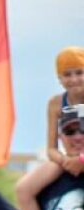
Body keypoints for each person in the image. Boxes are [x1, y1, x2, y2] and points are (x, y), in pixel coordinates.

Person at [45, 47, 84, 175]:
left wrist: (81, 160)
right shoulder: (55, 104)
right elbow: (51, 149)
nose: (73, 79)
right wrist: (66, 161)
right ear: (59, 79)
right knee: (24, 188)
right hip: (68, 160)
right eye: (67, 74)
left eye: (79, 73)